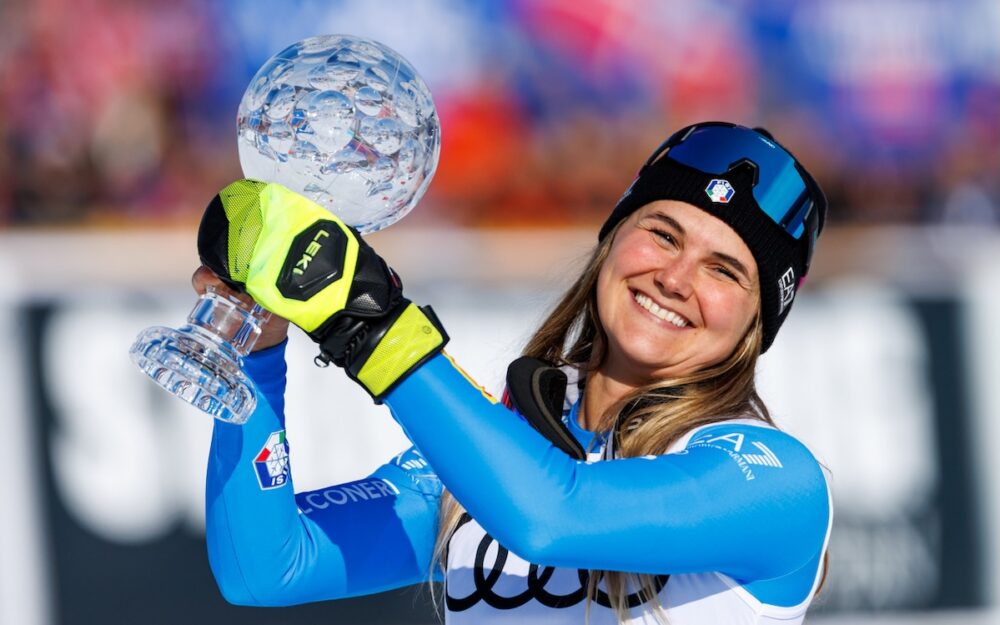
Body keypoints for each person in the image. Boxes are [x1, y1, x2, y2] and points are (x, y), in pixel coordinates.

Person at [199, 121, 832, 625]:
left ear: (756, 321)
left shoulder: (776, 481)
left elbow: (552, 519)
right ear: (611, 242)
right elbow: (267, 567)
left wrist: (372, 327)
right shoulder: (509, 443)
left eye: (724, 271)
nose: (675, 278)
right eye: (662, 234)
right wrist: (258, 349)